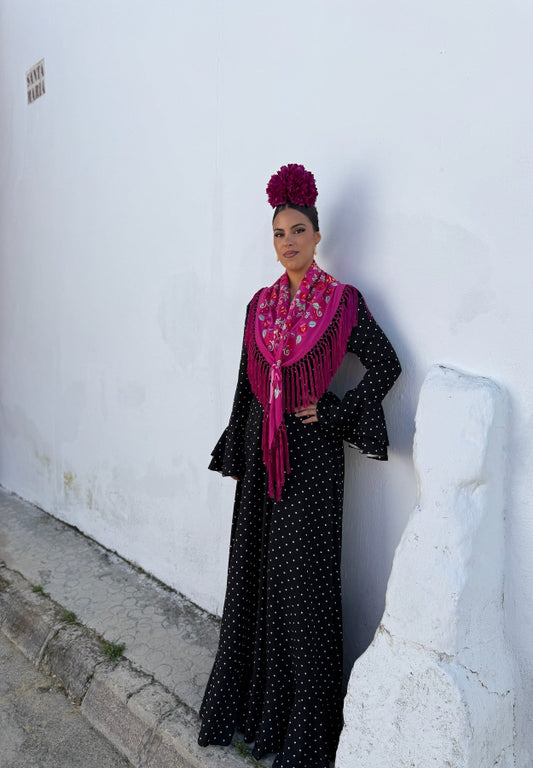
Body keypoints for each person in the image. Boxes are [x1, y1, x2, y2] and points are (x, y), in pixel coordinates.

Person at [198, 164, 401, 768]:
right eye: (279, 233)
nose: (288, 241)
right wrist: (238, 450)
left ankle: (306, 730)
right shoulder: (258, 306)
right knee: (257, 577)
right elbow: (246, 386)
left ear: (317, 236)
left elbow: (387, 365)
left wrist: (335, 412)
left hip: (311, 464)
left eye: (297, 230)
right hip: (263, 463)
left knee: (304, 588)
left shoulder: (342, 304)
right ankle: (257, 710)